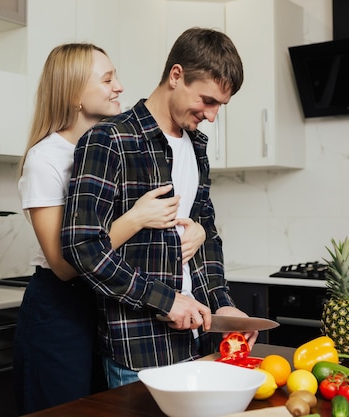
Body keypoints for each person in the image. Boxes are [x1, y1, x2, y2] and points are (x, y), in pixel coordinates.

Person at [13, 43, 207, 414]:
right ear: (73, 94)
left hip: (109, 303)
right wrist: (135, 218)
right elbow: (65, 264)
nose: (119, 86)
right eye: (107, 79)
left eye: (115, 76)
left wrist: (195, 229)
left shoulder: (117, 143)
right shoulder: (45, 160)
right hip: (61, 309)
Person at [61, 28, 258, 389]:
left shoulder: (197, 146)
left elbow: (206, 235)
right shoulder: (110, 140)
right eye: (207, 101)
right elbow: (82, 246)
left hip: (196, 340)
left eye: (220, 106)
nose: (212, 116)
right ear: (176, 75)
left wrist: (223, 304)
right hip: (138, 351)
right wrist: (166, 302)